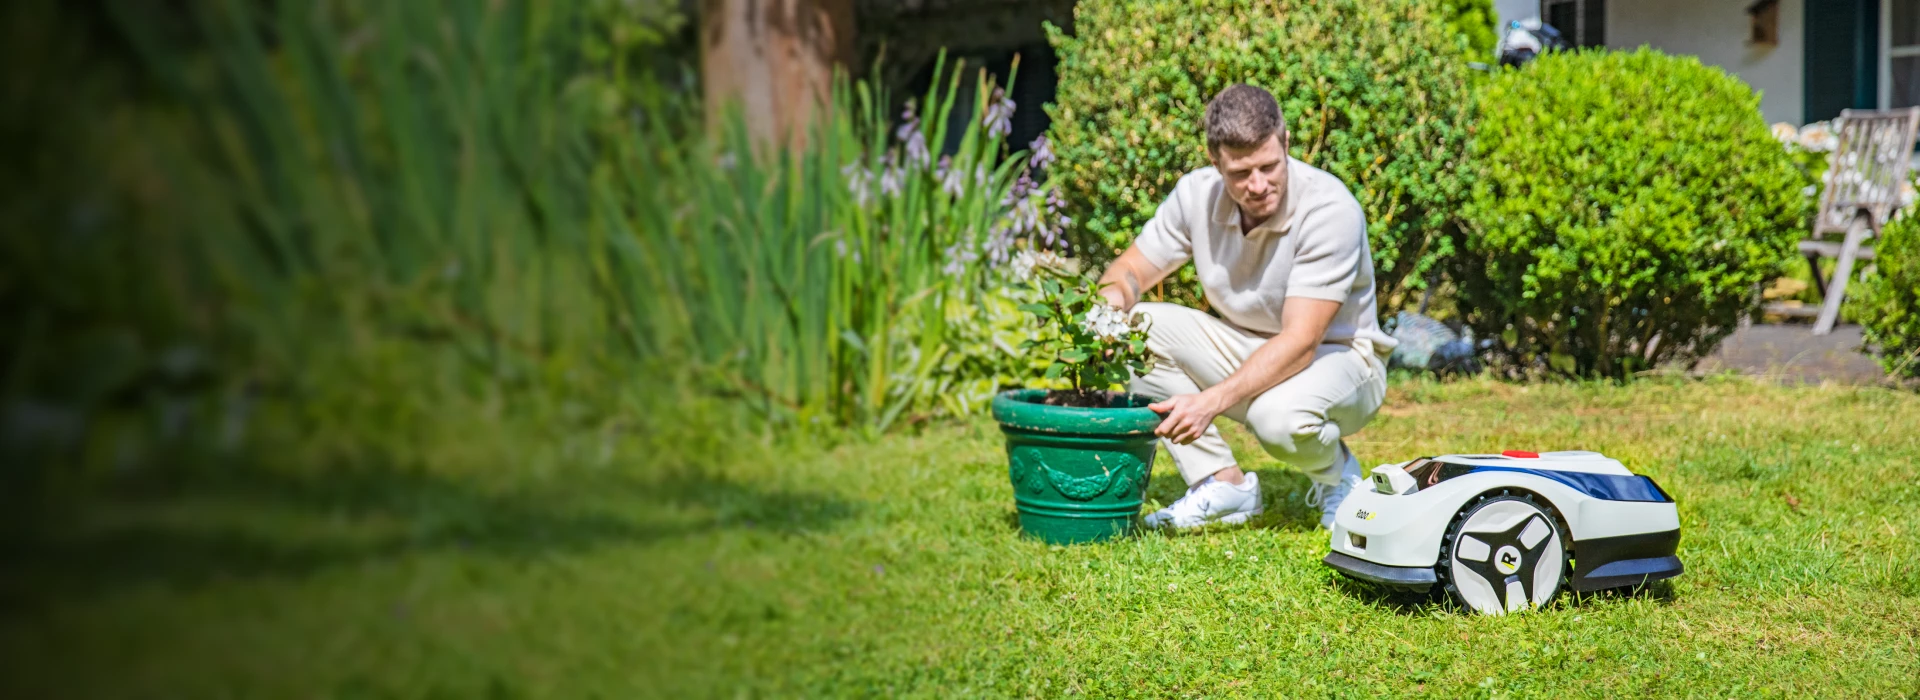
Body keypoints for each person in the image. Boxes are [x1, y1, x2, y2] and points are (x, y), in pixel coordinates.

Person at [1093, 84, 1395, 530]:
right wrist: (1108, 309)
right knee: (1132, 328)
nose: (1258, 185)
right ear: (1215, 162)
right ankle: (1221, 484)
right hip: (1253, 345)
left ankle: (1339, 476)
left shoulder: (1330, 209)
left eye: (1269, 166)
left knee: (1277, 419)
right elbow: (1130, 271)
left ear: (1286, 143)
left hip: (1343, 358)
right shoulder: (1196, 195)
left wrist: (1209, 402)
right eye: (1240, 173)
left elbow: (1301, 341)